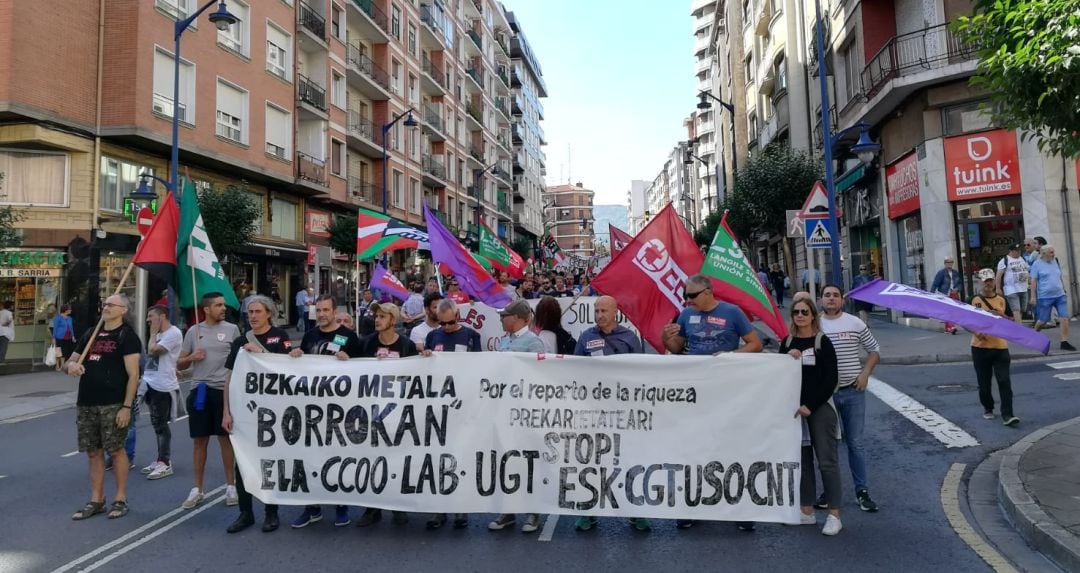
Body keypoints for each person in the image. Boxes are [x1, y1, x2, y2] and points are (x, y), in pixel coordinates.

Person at [661, 274, 762, 531]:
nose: (687, 300)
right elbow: (676, 348)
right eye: (686, 295)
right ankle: (692, 505)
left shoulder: (732, 312)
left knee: (731, 447)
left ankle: (740, 509)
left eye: (692, 295)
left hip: (728, 391)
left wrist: (730, 356)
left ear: (708, 292)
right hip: (696, 390)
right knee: (694, 448)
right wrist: (666, 337)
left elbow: (755, 344)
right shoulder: (685, 315)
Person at [571, 295, 649, 532]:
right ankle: (589, 511)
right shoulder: (586, 338)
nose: (599, 315)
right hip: (594, 411)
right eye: (596, 311)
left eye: (604, 310)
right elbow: (573, 370)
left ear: (615, 312)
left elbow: (642, 372)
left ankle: (636, 512)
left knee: (629, 460)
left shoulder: (629, 338)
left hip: (624, 411)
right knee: (593, 462)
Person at [288, 295, 364, 529]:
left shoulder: (350, 337)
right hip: (312, 410)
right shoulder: (310, 336)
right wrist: (295, 356)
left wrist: (349, 361)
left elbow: (365, 372)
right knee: (310, 459)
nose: (321, 314)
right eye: (317, 310)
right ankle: (312, 508)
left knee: (337, 458)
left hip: (340, 410)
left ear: (334, 311)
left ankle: (341, 506)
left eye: (325, 310)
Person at [65, 294, 142, 521]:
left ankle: (120, 498)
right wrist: (71, 367)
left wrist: (126, 406)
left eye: (111, 304)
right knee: (93, 452)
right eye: (105, 304)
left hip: (113, 402)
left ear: (123, 310)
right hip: (87, 401)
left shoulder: (127, 336)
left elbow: (134, 374)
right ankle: (97, 499)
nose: (106, 307)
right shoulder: (90, 333)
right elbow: (71, 361)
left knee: (116, 449)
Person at [222, 295, 292, 533]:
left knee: (269, 463)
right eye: (250, 312)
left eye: (258, 312)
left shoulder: (280, 337)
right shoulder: (240, 341)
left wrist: (259, 352)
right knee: (242, 463)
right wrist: (226, 411)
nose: (253, 316)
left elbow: (286, 371)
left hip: (273, 413)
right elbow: (229, 379)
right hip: (245, 412)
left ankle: (271, 513)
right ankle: (245, 513)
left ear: (269, 313)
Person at [778, 295, 843, 536]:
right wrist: (787, 357)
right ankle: (806, 510)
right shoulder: (787, 341)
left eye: (805, 312)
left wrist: (810, 405)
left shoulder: (822, 341)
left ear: (813, 315)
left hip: (819, 409)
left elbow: (830, 380)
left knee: (827, 461)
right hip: (794, 410)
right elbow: (778, 373)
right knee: (802, 460)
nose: (801, 316)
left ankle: (835, 514)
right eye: (796, 312)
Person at [818, 284, 881, 513]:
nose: (831, 299)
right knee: (829, 446)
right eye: (827, 296)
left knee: (855, 443)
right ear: (821, 300)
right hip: (826, 396)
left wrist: (865, 374)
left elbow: (874, 351)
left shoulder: (855, 323)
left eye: (835, 295)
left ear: (842, 300)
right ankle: (829, 492)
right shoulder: (815, 324)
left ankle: (862, 492)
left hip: (853, 391)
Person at [354, 302, 418, 528]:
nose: (377, 320)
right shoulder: (367, 343)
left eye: (382, 316)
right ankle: (372, 508)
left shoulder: (406, 345)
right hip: (372, 413)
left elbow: (417, 375)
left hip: (398, 413)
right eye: (376, 316)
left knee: (398, 460)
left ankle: (398, 506)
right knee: (373, 460)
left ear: (393, 320)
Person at [176, 292, 241, 510]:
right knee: (200, 440)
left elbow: (241, 362)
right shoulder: (194, 332)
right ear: (206, 309)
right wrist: (191, 358)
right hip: (200, 390)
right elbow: (180, 364)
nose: (224, 308)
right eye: (219, 305)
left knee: (225, 439)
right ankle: (197, 488)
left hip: (224, 391)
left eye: (224, 305)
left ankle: (231, 486)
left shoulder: (232, 330)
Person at [421, 299, 482, 529]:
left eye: (450, 322)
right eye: (441, 323)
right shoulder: (433, 337)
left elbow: (479, 366)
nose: (446, 327)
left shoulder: (471, 336)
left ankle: (460, 509)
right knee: (437, 458)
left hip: (462, 405)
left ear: (458, 317)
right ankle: (439, 509)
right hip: (437, 406)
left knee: (460, 456)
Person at [488, 299, 546, 533]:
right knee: (506, 460)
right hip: (503, 410)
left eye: (505, 315)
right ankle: (508, 511)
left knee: (527, 461)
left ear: (520, 318)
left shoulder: (534, 343)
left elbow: (539, 377)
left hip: (525, 411)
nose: (502, 319)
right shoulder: (504, 341)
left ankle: (532, 511)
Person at [968, 269, 1019, 426]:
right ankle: (988, 407)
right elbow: (965, 320)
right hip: (980, 348)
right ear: (979, 282)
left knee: (1004, 381)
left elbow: (1012, 321)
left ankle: (1008, 415)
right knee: (984, 383)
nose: (988, 284)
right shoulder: (973, 300)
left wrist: (1002, 316)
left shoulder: (1002, 300)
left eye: (990, 280)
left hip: (1000, 347)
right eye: (985, 281)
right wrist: (976, 332)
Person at [139, 305, 184, 481]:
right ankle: (159, 459)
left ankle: (165, 462)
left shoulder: (173, 333)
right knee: (156, 423)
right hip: (150, 382)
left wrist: (152, 334)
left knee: (161, 424)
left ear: (162, 316)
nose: (148, 319)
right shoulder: (158, 334)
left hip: (162, 386)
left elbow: (153, 350)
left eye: (151, 316)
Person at [1029, 244, 1075, 351]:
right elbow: (1033, 281)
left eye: (1053, 252)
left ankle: (1064, 342)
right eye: (1051, 252)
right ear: (1044, 254)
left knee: (1064, 318)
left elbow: (1058, 277)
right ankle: (1034, 335)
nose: (1053, 254)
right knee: (1043, 321)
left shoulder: (1055, 261)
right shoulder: (1037, 264)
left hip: (1060, 295)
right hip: (1045, 296)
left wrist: (1063, 288)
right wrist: (1033, 296)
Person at [996, 243, 1030, 323]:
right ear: (1011, 251)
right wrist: (998, 288)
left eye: (1019, 251)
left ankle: (1017, 324)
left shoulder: (1022, 259)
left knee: (1022, 309)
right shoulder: (1004, 260)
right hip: (1011, 289)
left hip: (1023, 287)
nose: (1018, 252)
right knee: (1016, 309)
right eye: (1016, 251)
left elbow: (1026, 270)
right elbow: (998, 275)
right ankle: (1020, 329)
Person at [930, 257, 962, 334]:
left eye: (951, 262)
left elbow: (960, 284)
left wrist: (957, 289)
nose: (949, 264)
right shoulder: (941, 273)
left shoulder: (955, 273)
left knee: (953, 310)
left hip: (954, 294)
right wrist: (931, 295)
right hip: (944, 294)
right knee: (948, 311)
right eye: (948, 262)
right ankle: (951, 327)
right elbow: (935, 284)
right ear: (945, 264)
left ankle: (948, 328)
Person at [53, 303, 76, 372]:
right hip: (59, 337)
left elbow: (71, 328)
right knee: (58, 352)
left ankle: (62, 366)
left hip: (68, 337)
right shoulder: (58, 318)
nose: (71, 310)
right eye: (69, 309)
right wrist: (53, 338)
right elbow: (55, 328)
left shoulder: (70, 318)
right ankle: (57, 365)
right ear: (66, 310)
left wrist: (73, 336)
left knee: (65, 351)